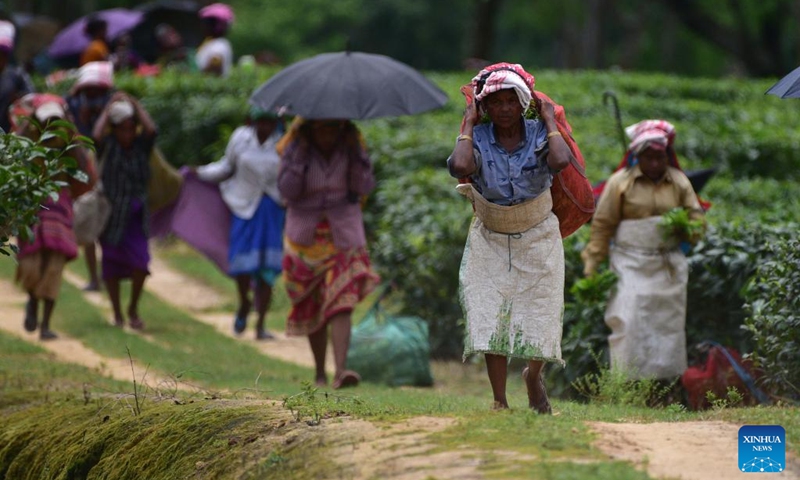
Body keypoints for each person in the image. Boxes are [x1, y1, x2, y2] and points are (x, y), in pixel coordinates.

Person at [447, 63, 572, 412]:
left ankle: (534, 377)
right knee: (490, 311)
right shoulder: (478, 136)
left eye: (511, 101)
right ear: (485, 107)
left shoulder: (539, 132)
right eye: (496, 102)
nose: (504, 109)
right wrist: (468, 124)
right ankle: (499, 400)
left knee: (542, 308)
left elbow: (561, 161)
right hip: (490, 234)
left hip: (538, 233)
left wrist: (549, 121)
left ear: (522, 104)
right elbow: (460, 167)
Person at [581, 120, 705, 384]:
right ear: (637, 157)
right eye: (648, 157)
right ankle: (628, 383)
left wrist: (689, 229)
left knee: (667, 325)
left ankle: (665, 384)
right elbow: (603, 225)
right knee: (629, 317)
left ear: (666, 156)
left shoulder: (679, 182)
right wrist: (592, 266)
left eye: (659, 157)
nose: (654, 163)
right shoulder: (620, 183)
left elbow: (696, 216)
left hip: (667, 264)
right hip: (630, 262)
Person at [277, 118, 380, 389]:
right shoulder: (294, 148)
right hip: (304, 235)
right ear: (310, 128)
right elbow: (287, 190)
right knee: (312, 303)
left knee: (341, 298)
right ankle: (320, 372)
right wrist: (299, 157)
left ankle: (341, 371)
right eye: (322, 128)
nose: (328, 134)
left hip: (343, 233)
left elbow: (364, 187)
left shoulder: (351, 146)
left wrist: (357, 155)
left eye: (333, 128)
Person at [193, 107, 285, 340]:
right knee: (243, 265)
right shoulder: (240, 139)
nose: (265, 127)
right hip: (244, 208)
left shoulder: (284, 144)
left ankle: (261, 324)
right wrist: (199, 173)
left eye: (269, 122)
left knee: (267, 271)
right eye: (260, 122)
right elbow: (226, 168)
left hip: (271, 209)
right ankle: (244, 302)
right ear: (252, 122)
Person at [13, 97, 79, 340]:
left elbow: (84, 170)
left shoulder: (67, 148)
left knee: (54, 269)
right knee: (31, 265)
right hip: (33, 211)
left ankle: (45, 325)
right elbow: (10, 154)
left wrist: (72, 129)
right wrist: (27, 123)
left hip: (59, 214)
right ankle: (32, 301)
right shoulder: (29, 146)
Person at [93, 92, 157, 330]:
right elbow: (96, 136)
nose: (127, 134)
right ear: (115, 129)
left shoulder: (142, 147)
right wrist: (109, 107)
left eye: (131, 128)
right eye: (122, 129)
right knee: (110, 265)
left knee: (141, 263)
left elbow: (152, 130)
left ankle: (133, 308)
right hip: (111, 216)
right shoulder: (108, 146)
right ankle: (118, 312)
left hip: (136, 218)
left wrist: (134, 103)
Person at [64, 61, 115, 292]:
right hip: (85, 173)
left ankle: (106, 276)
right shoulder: (74, 104)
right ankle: (95, 278)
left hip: (108, 170)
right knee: (90, 227)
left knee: (106, 227)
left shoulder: (110, 107)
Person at [0, 20, 34, 133]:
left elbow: (32, 98)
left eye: (3, 55)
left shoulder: (16, 76)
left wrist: (18, 99)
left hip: (8, 133)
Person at [195, 3, 234, 76]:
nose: (203, 26)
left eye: (207, 23)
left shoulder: (219, 44)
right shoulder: (211, 42)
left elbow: (215, 67)